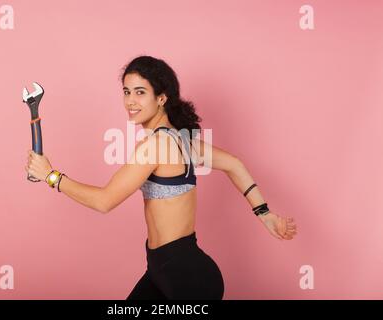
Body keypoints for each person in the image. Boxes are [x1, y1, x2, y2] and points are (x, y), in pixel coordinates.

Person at [25, 55, 297, 300]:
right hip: (162, 271)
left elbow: (104, 201)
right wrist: (264, 213)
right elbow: (235, 165)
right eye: (127, 92)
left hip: (187, 278)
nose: (130, 101)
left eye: (140, 92)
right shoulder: (184, 141)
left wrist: (51, 176)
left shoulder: (156, 146)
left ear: (161, 98)